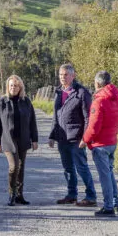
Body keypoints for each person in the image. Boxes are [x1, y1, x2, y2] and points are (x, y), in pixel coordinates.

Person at [48, 63, 96, 206]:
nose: (63, 77)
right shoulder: (58, 93)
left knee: (81, 167)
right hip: (62, 138)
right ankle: (71, 195)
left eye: (66, 75)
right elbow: (56, 116)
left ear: (73, 75)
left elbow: (88, 118)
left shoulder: (82, 92)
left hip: (77, 139)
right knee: (67, 169)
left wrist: (85, 138)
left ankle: (91, 196)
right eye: (61, 75)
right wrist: (52, 135)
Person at [80, 71, 118, 216]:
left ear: (97, 83)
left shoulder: (99, 101)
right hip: (112, 141)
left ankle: (108, 207)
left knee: (104, 176)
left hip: (100, 144)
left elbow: (94, 126)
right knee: (110, 173)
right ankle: (115, 203)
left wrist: (85, 140)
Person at [0, 75, 38, 206]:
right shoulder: (1, 102)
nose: (14, 87)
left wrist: (34, 139)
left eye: (16, 85)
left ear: (20, 87)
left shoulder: (26, 101)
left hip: (23, 139)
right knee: (14, 166)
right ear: (8, 87)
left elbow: (32, 122)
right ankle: (11, 194)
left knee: (21, 167)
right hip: (8, 140)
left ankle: (19, 195)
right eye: (11, 85)